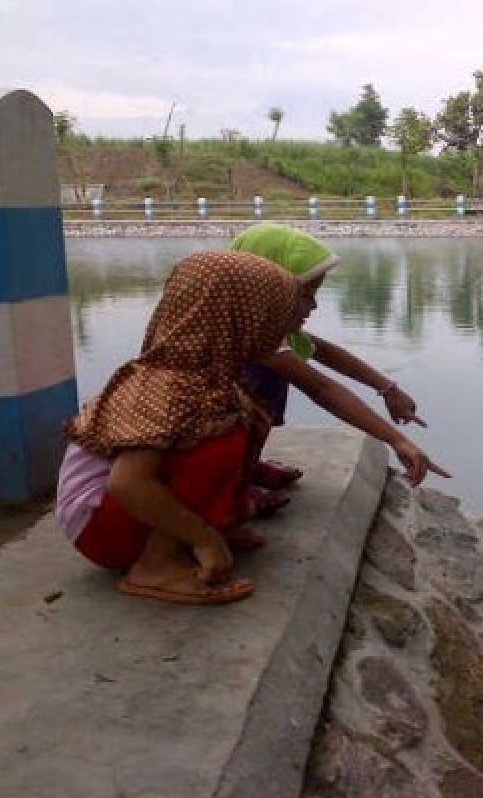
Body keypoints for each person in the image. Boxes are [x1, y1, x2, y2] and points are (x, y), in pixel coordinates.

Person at [54, 249, 444, 606]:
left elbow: (322, 354)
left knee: (240, 418)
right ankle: (157, 566)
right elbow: (127, 484)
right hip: (98, 525)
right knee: (219, 443)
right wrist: (204, 540)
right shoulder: (167, 384)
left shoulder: (204, 372)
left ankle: (190, 534)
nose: (302, 312)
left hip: (124, 513)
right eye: (281, 308)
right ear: (241, 315)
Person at [229, 223, 446, 520]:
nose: (314, 305)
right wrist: (397, 440)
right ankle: (231, 487)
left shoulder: (264, 326)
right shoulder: (246, 336)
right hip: (197, 437)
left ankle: (246, 466)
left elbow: (323, 351)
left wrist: (386, 388)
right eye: (305, 294)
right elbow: (322, 389)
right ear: (265, 289)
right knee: (260, 388)